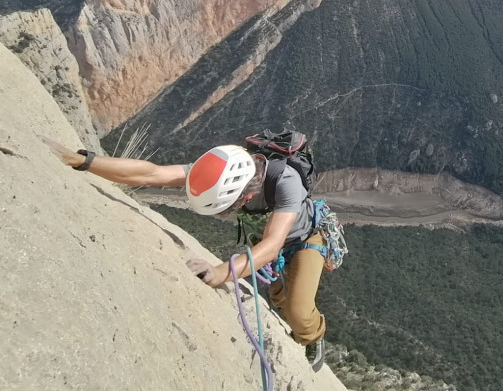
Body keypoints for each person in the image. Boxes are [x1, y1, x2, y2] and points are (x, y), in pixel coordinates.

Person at [41, 138, 327, 372]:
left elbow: (273, 245)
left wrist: (219, 272)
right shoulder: (222, 167)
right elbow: (152, 173)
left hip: (304, 240)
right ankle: (290, 316)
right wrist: (85, 161)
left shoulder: (285, 180)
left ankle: (314, 336)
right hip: (266, 239)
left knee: (298, 311)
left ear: (247, 197)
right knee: (279, 298)